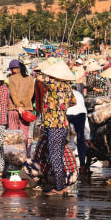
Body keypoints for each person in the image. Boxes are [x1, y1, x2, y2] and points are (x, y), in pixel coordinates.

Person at [36, 61, 77, 194]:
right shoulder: (68, 87)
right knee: (58, 155)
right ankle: (61, 185)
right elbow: (73, 102)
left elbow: (39, 77)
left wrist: (46, 72)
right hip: (63, 124)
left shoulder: (55, 84)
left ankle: (59, 187)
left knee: (55, 157)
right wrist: (60, 108)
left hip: (54, 125)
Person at [6, 59, 35, 141]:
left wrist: (18, 106)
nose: (11, 71)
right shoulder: (30, 78)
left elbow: (13, 94)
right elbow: (31, 93)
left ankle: (14, 151)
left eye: (12, 69)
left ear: (15, 69)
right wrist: (23, 104)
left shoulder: (12, 78)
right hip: (27, 109)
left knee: (13, 132)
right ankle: (24, 151)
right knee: (25, 132)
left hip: (13, 108)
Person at [66, 78, 89, 173]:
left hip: (69, 113)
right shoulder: (79, 94)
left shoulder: (65, 92)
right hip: (81, 113)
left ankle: (65, 163)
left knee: (63, 137)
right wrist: (88, 136)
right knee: (81, 138)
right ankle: (82, 165)